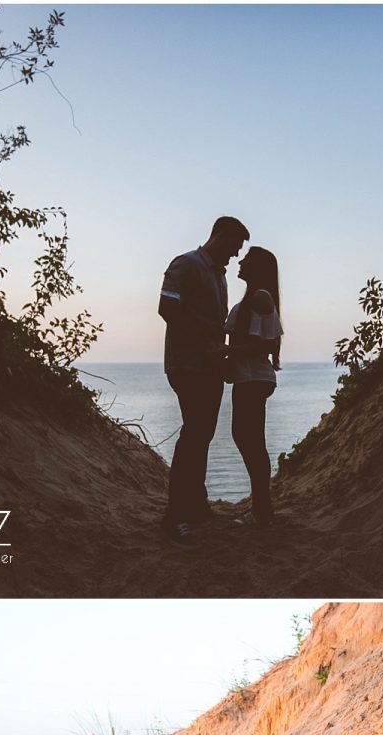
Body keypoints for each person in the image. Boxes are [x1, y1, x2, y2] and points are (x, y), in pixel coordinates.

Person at [158, 215, 249, 544]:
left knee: (202, 435)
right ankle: (174, 515)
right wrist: (206, 344)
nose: (236, 254)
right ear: (221, 236)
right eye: (235, 246)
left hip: (208, 367)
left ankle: (195, 505)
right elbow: (167, 307)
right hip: (187, 365)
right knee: (194, 434)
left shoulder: (220, 276)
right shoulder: (187, 265)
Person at [226, 247, 283, 528]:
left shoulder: (260, 297)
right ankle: (262, 506)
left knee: (250, 441)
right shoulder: (254, 297)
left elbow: (266, 344)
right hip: (250, 377)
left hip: (254, 377)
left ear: (257, 267)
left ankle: (261, 508)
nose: (241, 261)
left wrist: (224, 352)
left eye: (247, 258)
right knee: (248, 439)